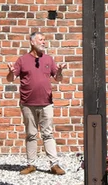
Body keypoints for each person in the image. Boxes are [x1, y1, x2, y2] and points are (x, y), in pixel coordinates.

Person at [6, 30, 67, 176]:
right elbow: (10, 79)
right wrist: (10, 72)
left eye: (44, 40)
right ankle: (31, 164)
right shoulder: (22, 60)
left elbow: (58, 79)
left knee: (48, 134)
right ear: (32, 42)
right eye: (41, 39)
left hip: (46, 103)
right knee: (31, 134)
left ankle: (54, 164)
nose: (43, 42)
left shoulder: (48, 59)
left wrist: (59, 71)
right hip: (28, 103)